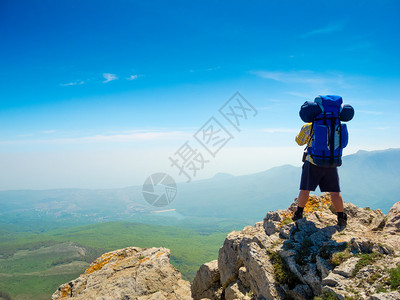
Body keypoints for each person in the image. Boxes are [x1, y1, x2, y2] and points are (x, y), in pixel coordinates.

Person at [292, 121, 347, 228]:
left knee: (305, 189)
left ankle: (298, 213)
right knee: (334, 193)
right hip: (330, 162)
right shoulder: (335, 124)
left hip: (312, 162)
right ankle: (341, 217)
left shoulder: (309, 126)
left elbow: (299, 141)